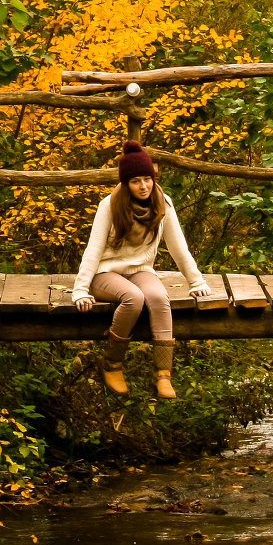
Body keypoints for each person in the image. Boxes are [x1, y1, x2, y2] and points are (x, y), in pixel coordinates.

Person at [72, 140, 212, 398]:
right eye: (136, 181)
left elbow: (178, 246)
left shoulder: (163, 202)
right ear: (126, 183)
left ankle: (163, 374)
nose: (144, 186)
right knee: (133, 298)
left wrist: (196, 282)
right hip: (105, 274)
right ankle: (112, 363)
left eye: (147, 179)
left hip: (141, 270)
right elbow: (92, 251)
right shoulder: (109, 205)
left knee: (159, 298)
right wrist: (80, 290)